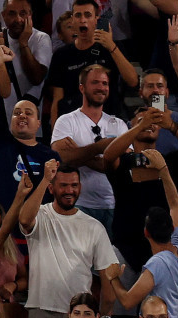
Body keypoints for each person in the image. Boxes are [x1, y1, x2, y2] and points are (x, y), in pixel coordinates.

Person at [19, 160, 122, 318]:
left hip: (81, 316)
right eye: (63, 185)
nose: (69, 190)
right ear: (52, 188)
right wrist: (45, 178)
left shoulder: (93, 227)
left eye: (74, 185)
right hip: (43, 309)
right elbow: (24, 220)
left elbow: (108, 277)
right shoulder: (41, 215)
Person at [103, 148, 178, 318]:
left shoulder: (157, 264)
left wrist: (113, 278)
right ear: (172, 229)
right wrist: (164, 170)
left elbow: (128, 301)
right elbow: (175, 205)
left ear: (146, 233)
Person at [0, 47, 61, 209]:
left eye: (29, 113)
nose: (22, 116)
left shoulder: (51, 156)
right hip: (0, 228)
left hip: (35, 228)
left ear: (39, 123)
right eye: (17, 112)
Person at [50, 64, 130, 230]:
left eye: (105, 83)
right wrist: (100, 148)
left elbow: (118, 165)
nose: (101, 87)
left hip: (113, 205)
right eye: (95, 82)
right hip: (78, 204)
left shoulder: (119, 124)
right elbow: (62, 159)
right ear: (82, 87)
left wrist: (79, 153)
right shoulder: (66, 121)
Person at [43, 0, 139, 130]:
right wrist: (56, 135)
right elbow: (57, 99)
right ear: (72, 20)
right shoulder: (61, 55)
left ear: (96, 19)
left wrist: (111, 46)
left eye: (87, 15)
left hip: (109, 122)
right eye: (78, 15)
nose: (82, 20)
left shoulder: (111, 48)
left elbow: (132, 81)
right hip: (75, 125)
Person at [0, 0, 52, 119]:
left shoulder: (41, 39)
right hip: (5, 116)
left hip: (33, 117)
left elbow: (36, 78)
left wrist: (23, 43)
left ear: (30, 15)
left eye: (23, 14)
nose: (18, 20)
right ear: (3, 15)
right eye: (12, 14)